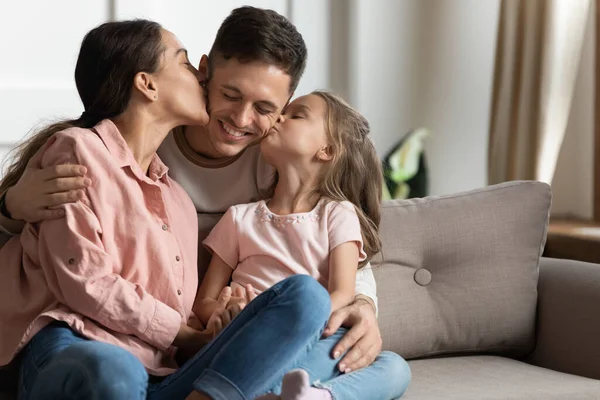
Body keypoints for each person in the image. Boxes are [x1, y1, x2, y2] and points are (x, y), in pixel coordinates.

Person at [0, 6, 383, 375]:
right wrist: (9, 205)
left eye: (265, 108)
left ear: (284, 107)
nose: (241, 119)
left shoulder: (279, 159)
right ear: (203, 74)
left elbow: (340, 231)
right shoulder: (142, 140)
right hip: (114, 328)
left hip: (203, 331)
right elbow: (53, 242)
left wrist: (364, 303)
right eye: (231, 95)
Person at [194, 91, 411, 400]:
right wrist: (222, 312)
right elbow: (204, 302)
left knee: (395, 367)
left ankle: (314, 396)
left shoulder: (338, 214)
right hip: (251, 339)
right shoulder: (239, 219)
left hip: (316, 338)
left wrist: (300, 329)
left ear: (327, 150)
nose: (279, 117)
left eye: (296, 115)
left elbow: (342, 293)